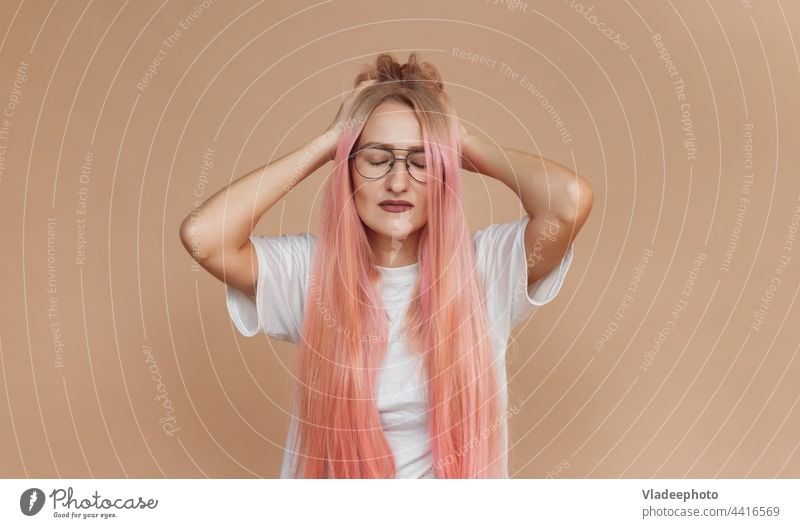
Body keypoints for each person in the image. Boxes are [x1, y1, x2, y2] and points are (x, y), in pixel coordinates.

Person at [180, 51, 593, 478]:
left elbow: (568, 202)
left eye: (421, 162)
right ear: (349, 170)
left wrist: (459, 142)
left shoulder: (487, 268)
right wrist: (329, 143)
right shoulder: (310, 274)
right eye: (377, 159)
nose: (398, 181)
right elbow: (203, 237)